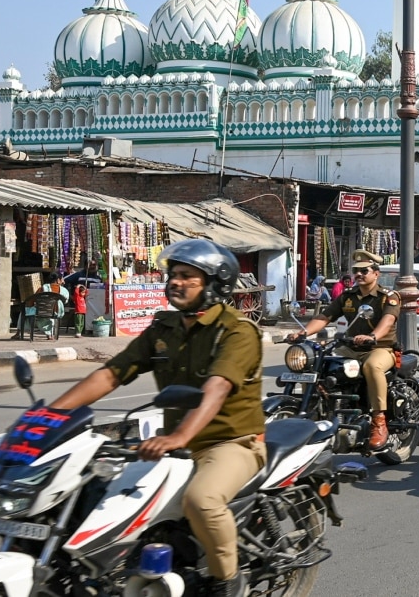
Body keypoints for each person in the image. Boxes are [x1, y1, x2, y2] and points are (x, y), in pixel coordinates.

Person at [49, 239, 265, 597]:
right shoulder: (164, 329)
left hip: (230, 443)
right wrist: (49, 415)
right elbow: (111, 374)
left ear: (213, 284)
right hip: (173, 445)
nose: (175, 283)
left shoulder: (236, 331)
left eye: (186, 276)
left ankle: (228, 581)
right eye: (173, 275)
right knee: (101, 496)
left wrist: (178, 438)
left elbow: (216, 388)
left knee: (202, 500)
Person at [296, 250, 400, 449]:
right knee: (316, 364)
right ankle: (314, 410)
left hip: (380, 348)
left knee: (372, 367)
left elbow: (388, 322)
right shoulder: (347, 296)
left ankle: (379, 420)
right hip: (350, 348)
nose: (359, 274)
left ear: (376, 273)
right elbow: (324, 317)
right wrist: (302, 333)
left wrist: (372, 337)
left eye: (364, 271)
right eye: (356, 271)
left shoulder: (388, 296)